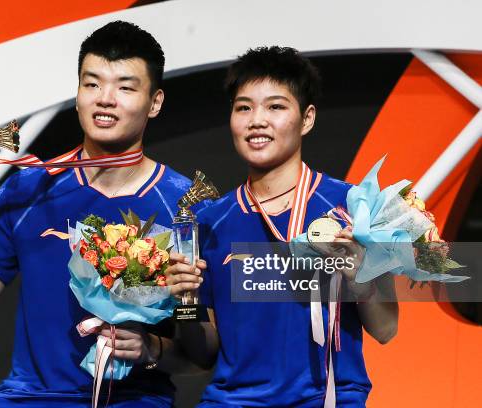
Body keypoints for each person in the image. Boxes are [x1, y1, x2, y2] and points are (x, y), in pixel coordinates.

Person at [0, 21, 200, 407]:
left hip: (132, 401)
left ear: (155, 102)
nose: (105, 98)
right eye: (92, 84)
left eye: (125, 86)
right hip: (29, 399)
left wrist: (149, 348)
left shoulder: (184, 205)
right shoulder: (27, 190)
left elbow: (202, 357)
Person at [169, 46, 399, 407]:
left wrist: (360, 277)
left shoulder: (353, 207)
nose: (256, 120)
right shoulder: (211, 222)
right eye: (244, 107)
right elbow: (203, 355)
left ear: (307, 118)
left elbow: (386, 330)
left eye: (275, 107)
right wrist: (186, 300)